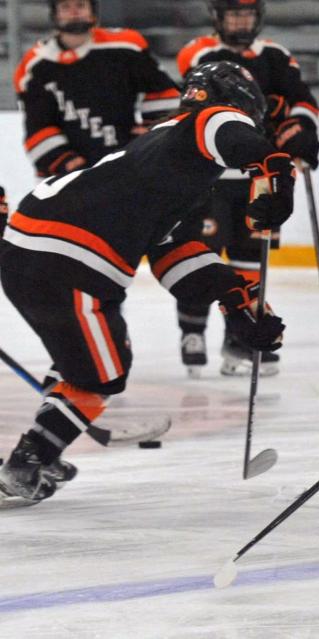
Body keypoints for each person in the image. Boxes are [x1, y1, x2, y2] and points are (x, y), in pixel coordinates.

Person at [0, 61, 294, 504]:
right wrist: (274, 168)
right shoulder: (205, 122)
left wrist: (233, 296)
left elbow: (172, 253)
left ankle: (42, 447)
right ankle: (28, 460)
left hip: (38, 250)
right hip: (67, 258)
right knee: (103, 374)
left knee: (82, 359)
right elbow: (226, 129)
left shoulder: (166, 159)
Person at [173, 0, 319, 378]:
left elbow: (301, 102)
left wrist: (301, 133)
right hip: (208, 179)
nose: (241, 21)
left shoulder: (276, 56)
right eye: (233, 14)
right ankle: (192, 330)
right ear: (218, 18)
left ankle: (238, 339)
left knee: (250, 261)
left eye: (247, 14)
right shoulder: (200, 54)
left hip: (259, 177)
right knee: (201, 255)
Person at [13, 0, 180, 178]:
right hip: (69, 176)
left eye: (80, 5)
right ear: (54, 14)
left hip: (127, 163)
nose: (74, 12)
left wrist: (150, 133)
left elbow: (165, 92)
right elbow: (37, 125)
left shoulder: (125, 47)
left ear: (93, 11)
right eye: (65, 7)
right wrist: (67, 163)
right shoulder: (36, 65)